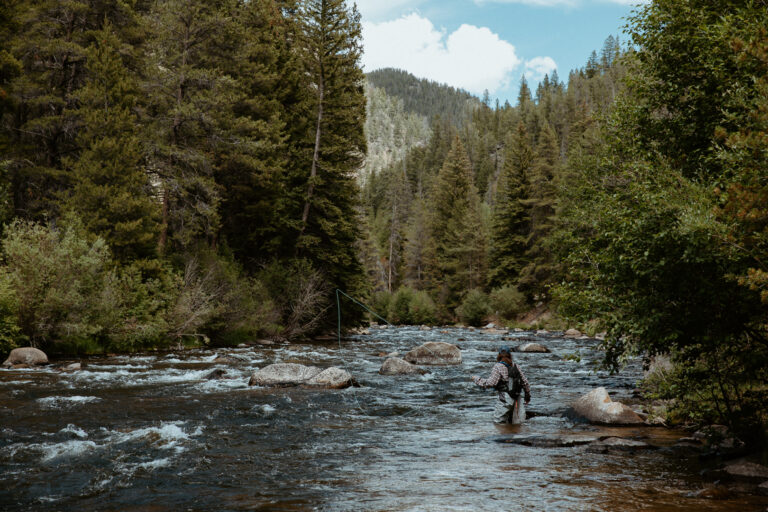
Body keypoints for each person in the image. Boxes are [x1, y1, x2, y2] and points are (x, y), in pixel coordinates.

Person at [471, 346, 531, 424]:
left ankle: (502, 436)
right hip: (518, 398)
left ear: (499, 355)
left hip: (505, 398)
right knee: (516, 424)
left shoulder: (498, 366)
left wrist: (476, 379)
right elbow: (525, 382)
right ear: (510, 355)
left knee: (498, 423)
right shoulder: (516, 366)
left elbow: (491, 383)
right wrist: (527, 396)